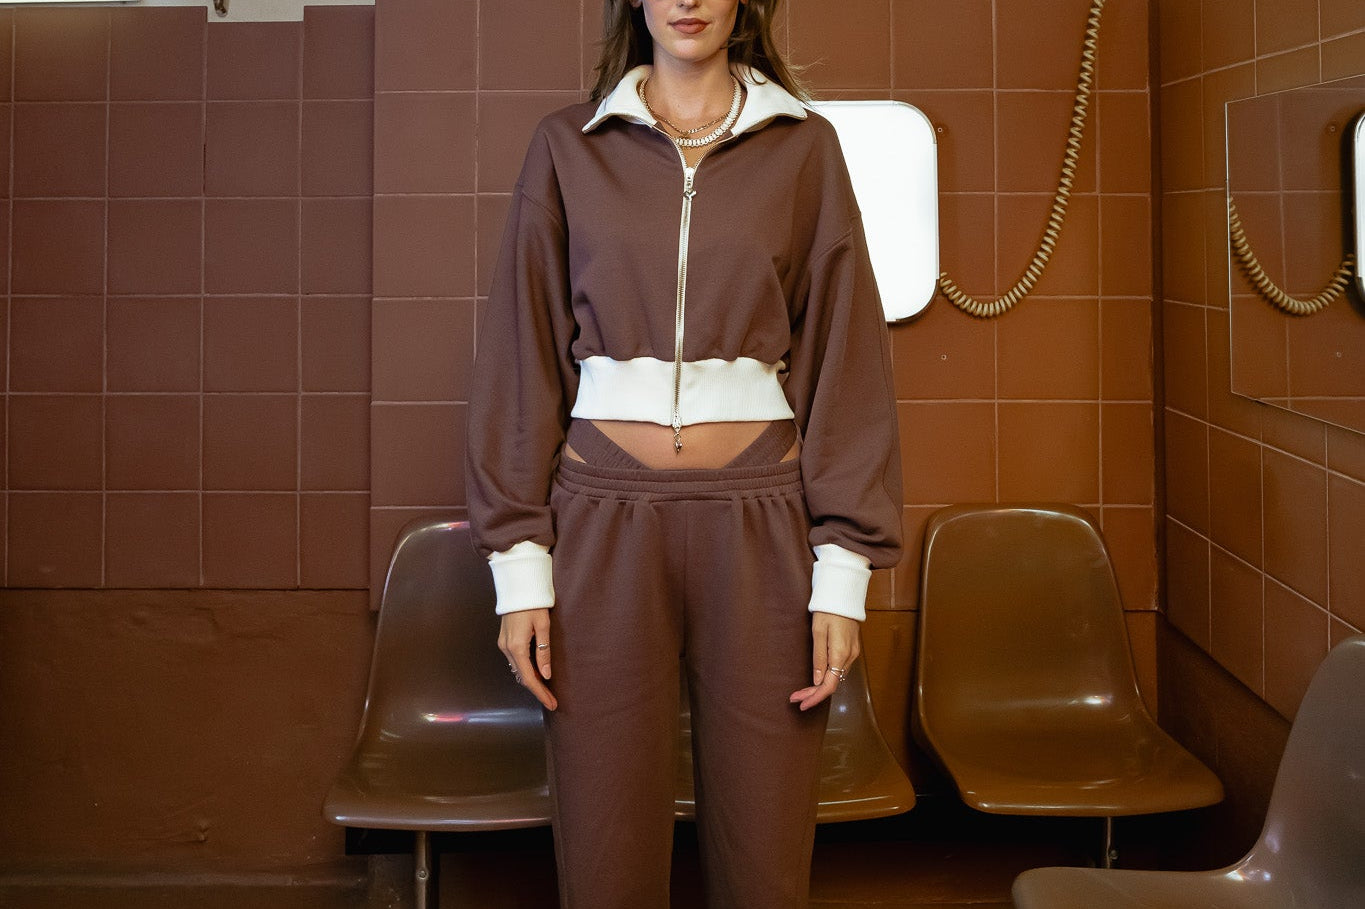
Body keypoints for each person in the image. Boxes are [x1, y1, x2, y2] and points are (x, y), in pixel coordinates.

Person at [466, 1, 903, 906]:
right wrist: (519, 567)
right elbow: (519, 357)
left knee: (765, 834)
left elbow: (846, 358)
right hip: (600, 516)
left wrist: (842, 572)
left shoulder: (804, 148)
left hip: (760, 520)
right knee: (603, 829)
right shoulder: (567, 147)